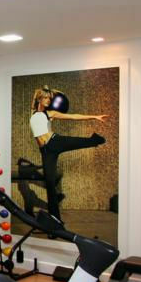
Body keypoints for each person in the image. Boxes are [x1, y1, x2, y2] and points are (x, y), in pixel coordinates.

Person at [30, 86, 108, 221]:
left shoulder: (50, 114)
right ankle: (55, 219)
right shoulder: (34, 114)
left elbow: (73, 116)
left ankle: (94, 140)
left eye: (49, 98)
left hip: (54, 141)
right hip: (46, 152)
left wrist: (94, 117)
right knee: (50, 184)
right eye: (45, 98)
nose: (48, 101)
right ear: (39, 99)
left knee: (77, 142)